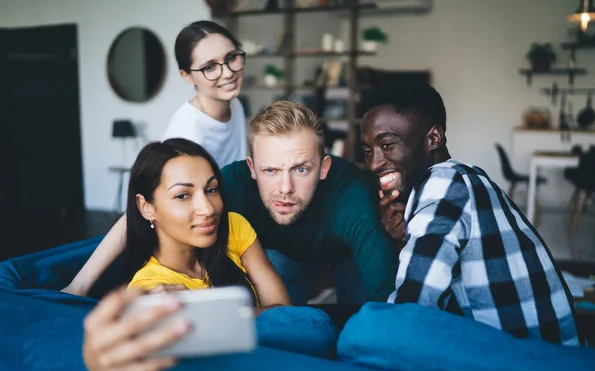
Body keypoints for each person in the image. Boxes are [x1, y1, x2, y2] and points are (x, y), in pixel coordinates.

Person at [64, 102, 399, 304]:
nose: (285, 188)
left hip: (345, 251)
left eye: (301, 169)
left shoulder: (355, 202)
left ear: (324, 167)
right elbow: (140, 216)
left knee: (363, 315)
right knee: (288, 324)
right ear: (251, 169)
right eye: (270, 170)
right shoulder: (228, 186)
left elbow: (391, 302)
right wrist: (78, 286)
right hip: (280, 254)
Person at [360, 83, 582, 346]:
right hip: (549, 358)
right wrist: (402, 240)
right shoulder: (466, 178)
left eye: (387, 145)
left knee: (362, 330)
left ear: (433, 138)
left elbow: (412, 308)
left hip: (533, 368)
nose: (374, 163)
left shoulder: (444, 183)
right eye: (367, 151)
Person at [121, 137, 290, 308]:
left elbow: (286, 314)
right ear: (145, 207)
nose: (208, 209)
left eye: (211, 190)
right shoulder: (151, 290)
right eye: (182, 196)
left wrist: (203, 309)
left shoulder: (233, 226)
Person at [164, 20, 247, 167]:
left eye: (231, 58)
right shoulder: (186, 134)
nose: (228, 73)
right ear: (187, 76)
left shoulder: (235, 105)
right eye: (210, 67)